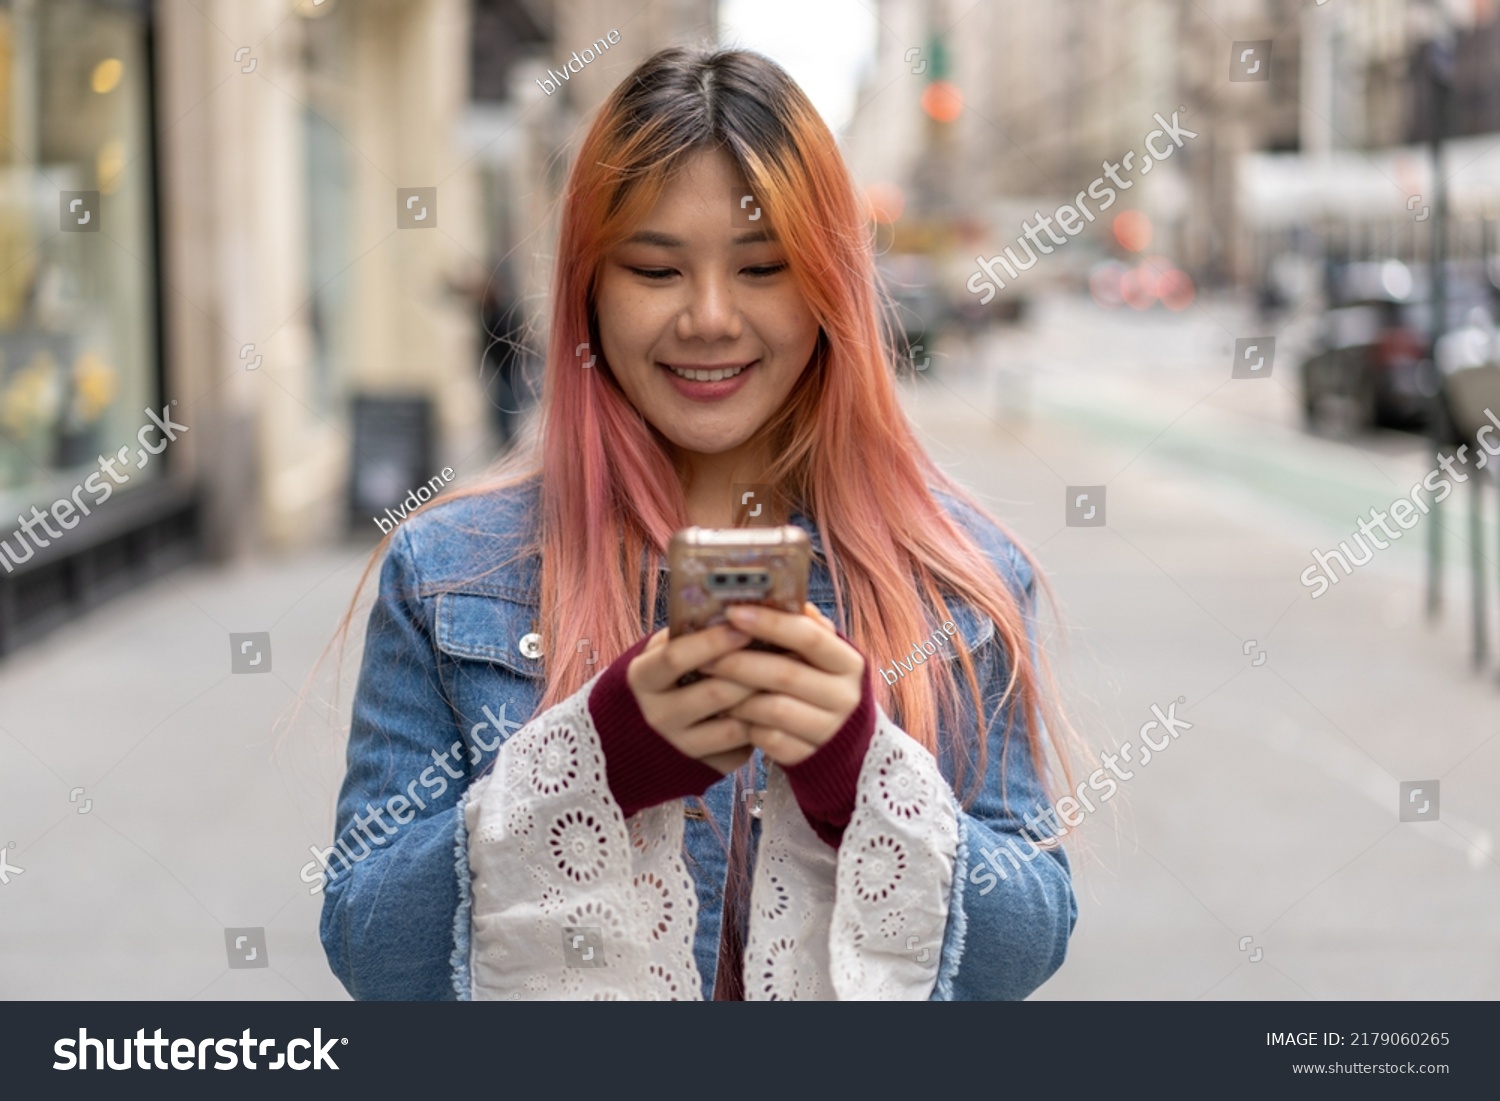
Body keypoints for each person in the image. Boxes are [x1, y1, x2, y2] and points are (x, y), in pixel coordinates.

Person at [319, 46, 1077, 1001]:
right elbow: (370, 946)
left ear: (829, 287)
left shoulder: (957, 580)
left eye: (764, 267)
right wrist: (594, 772)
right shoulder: (449, 571)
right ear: (590, 287)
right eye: (656, 268)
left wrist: (860, 788)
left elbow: (1027, 944)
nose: (711, 318)